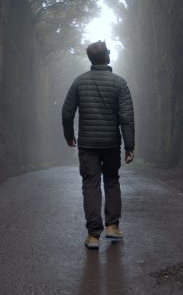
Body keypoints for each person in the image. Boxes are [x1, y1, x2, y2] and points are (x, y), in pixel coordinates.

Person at [62, 41, 135, 249]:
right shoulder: (119, 84)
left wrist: (69, 136)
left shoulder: (79, 82)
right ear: (107, 56)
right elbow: (126, 117)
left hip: (88, 145)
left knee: (90, 184)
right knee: (112, 181)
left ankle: (93, 236)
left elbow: (67, 112)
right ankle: (112, 227)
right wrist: (129, 145)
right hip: (111, 143)